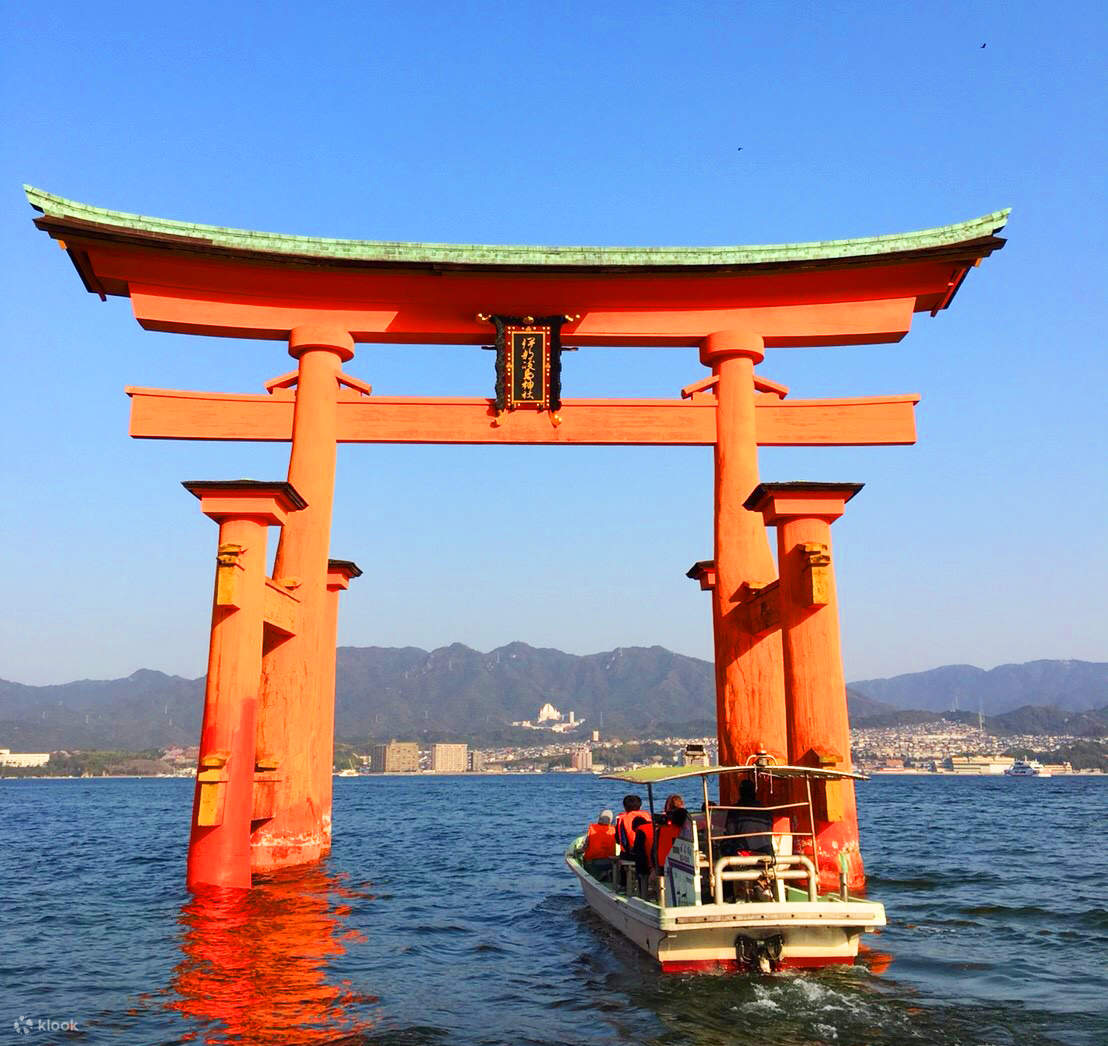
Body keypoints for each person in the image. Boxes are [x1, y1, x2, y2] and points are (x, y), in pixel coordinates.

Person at [582, 809, 617, 881]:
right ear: (610, 821)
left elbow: (585, 847)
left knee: (587, 863)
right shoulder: (614, 830)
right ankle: (608, 873)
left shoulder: (592, 829)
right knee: (616, 863)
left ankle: (602, 874)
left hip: (592, 863)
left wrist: (577, 851)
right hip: (610, 862)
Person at [654, 806, 688, 872]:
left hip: (662, 864)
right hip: (681, 864)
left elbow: (655, 848)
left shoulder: (661, 830)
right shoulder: (686, 831)